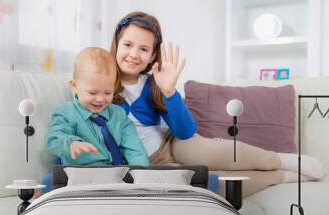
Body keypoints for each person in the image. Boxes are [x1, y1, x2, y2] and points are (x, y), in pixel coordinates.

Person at [109, 11, 327, 197]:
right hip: (149, 163)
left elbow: (185, 131)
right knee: (211, 186)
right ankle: (280, 177)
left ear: (153, 55)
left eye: (144, 49)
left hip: (173, 143)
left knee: (211, 152)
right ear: (116, 44)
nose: (134, 54)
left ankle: (278, 160)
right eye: (128, 45)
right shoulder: (102, 82)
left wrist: (169, 91)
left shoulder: (153, 83)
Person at [39, 47, 149, 197]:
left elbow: (134, 147)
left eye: (108, 93)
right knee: (48, 180)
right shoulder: (65, 113)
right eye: (92, 92)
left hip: (114, 174)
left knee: (143, 177)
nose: (100, 99)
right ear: (74, 87)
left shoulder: (118, 114)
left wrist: (141, 173)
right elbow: (54, 137)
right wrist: (71, 143)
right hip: (80, 174)